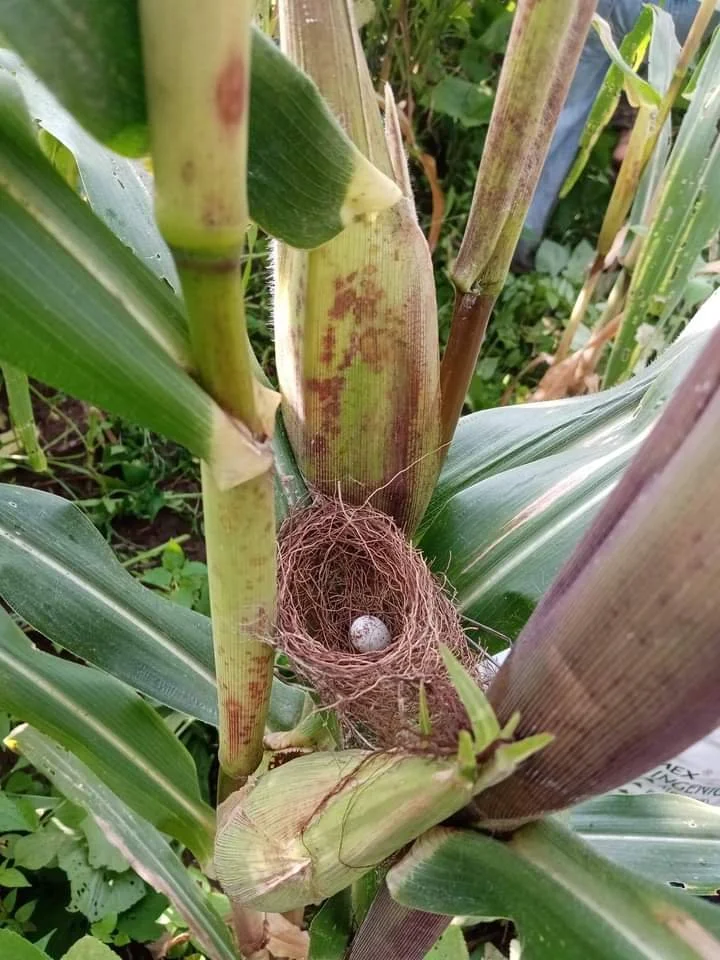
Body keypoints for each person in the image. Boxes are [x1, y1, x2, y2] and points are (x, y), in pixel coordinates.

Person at [514, 0, 717, 271]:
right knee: (663, 83)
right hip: (695, 17)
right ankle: (642, 235)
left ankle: (516, 236)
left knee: (563, 111)